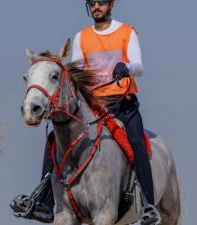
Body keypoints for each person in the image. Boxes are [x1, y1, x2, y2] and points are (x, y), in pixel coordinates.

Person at [13, 1, 161, 224]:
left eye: (101, 2)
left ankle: (148, 206)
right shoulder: (82, 37)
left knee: (137, 141)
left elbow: (138, 65)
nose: (96, 6)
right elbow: (73, 75)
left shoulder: (125, 32)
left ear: (111, 4)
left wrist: (126, 68)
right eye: (92, 3)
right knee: (54, 139)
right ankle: (44, 201)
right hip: (93, 104)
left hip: (122, 104)